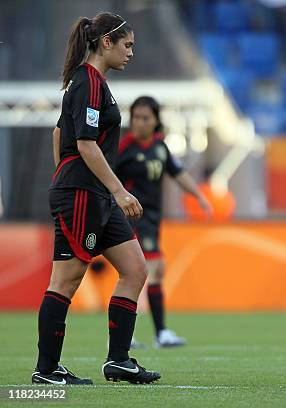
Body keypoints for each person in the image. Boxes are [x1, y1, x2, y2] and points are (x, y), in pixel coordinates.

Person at [33, 13, 160, 385]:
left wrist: (72, 177)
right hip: (85, 194)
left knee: (135, 269)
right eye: (127, 45)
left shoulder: (91, 83)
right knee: (66, 280)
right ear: (106, 42)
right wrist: (115, 190)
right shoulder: (87, 82)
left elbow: (60, 134)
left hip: (93, 193)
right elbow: (84, 143)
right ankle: (47, 370)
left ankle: (118, 361)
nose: (131, 53)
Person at [116, 96, 211, 347]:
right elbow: (108, 178)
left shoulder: (160, 147)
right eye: (136, 117)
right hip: (133, 217)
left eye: (145, 117)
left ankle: (136, 335)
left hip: (152, 218)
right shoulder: (125, 147)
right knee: (148, 270)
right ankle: (155, 334)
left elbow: (178, 173)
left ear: (156, 120)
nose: (139, 122)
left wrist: (199, 196)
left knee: (146, 272)